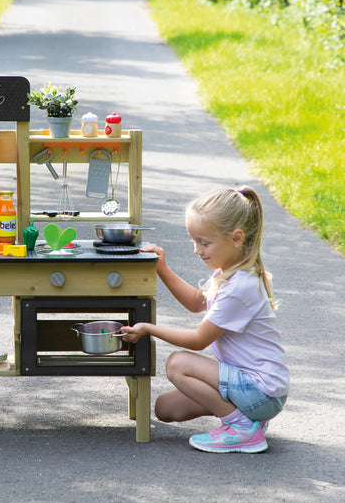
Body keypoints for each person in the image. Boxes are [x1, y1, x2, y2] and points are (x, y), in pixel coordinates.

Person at [121, 186, 289, 453]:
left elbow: (198, 340)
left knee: (178, 364)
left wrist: (148, 328)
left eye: (204, 242)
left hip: (261, 390)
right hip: (252, 388)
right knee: (165, 408)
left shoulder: (240, 286)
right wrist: (161, 269)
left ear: (236, 238)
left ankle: (242, 429)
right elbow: (196, 302)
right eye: (194, 241)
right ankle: (249, 420)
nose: (197, 250)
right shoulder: (228, 272)